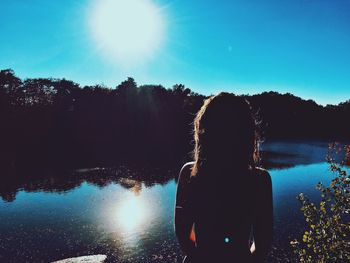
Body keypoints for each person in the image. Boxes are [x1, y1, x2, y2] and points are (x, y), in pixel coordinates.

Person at [174, 92, 273, 263]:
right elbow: (262, 245)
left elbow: (183, 235)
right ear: (247, 132)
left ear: (205, 130)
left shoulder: (190, 174)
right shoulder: (260, 180)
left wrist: (199, 256)